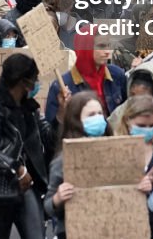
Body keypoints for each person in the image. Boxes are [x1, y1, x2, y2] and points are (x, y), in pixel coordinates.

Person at [0, 53, 52, 239]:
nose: (37, 83)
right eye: (34, 79)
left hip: (28, 186)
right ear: (23, 82)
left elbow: (49, 138)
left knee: (36, 234)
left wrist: (61, 116)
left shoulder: (30, 108)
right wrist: (16, 168)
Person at [44, 91, 107, 239]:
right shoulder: (63, 160)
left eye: (100, 113)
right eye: (91, 115)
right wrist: (58, 198)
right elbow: (48, 207)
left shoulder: (114, 152)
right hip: (73, 231)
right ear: (76, 120)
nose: (98, 118)